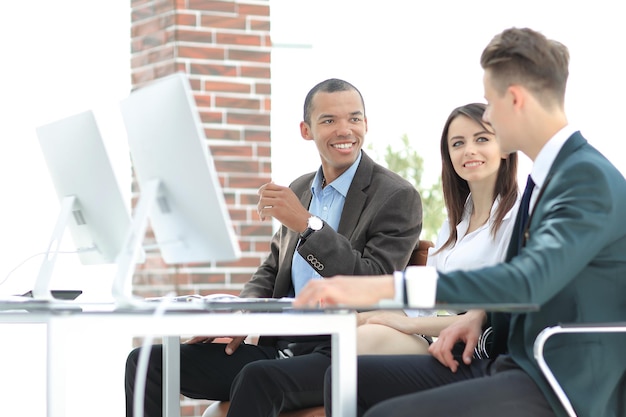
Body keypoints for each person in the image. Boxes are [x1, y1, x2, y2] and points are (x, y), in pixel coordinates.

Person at [295, 27, 626, 417]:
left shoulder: (584, 177)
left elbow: (527, 280)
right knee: (348, 378)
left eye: (489, 103)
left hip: (560, 381)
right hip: (506, 361)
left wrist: (375, 287)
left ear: (515, 99)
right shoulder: (550, 177)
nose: (486, 116)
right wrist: (482, 316)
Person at [124, 78, 423, 417]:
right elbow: (271, 270)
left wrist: (308, 225)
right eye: (329, 120)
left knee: (257, 377)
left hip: (340, 349)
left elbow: (374, 282)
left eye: (354, 118)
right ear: (306, 130)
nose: (345, 130)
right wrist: (234, 316)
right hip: (280, 346)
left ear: (366, 125)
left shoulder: (396, 196)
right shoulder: (300, 189)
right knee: (149, 360)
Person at [356, 102, 519, 356]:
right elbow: (422, 304)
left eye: (482, 139)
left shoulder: (518, 217)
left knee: (362, 341)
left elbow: (490, 316)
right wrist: (371, 315)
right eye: (458, 143)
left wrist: (410, 325)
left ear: (505, 148)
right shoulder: (453, 226)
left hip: (486, 350)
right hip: (449, 343)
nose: (469, 151)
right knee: (354, 332)